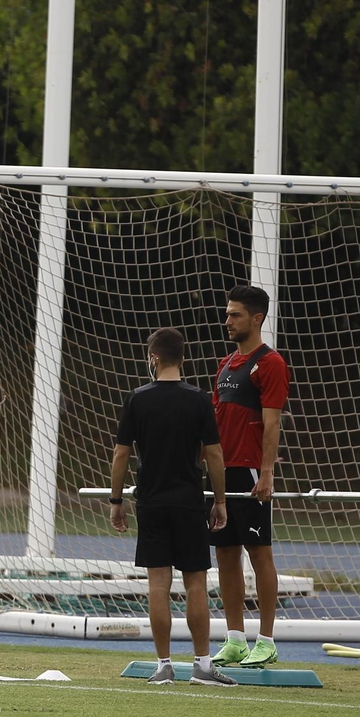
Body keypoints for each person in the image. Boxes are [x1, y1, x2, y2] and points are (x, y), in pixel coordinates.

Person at [110, 327, 235, 686]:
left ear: (154, 358)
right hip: (188, 501)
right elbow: (213, 453)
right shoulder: (199, 399)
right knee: (196, 584)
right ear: (182, 358)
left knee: (157, 584)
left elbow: (121, 454)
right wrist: (220, 500)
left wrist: (116, 501)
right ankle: (203, 666)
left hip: (151, 502)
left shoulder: (137, 398)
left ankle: (163, 665)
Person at [208, 284, 291, 668]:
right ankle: (235, 639)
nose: (227, 320)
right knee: (225, 554)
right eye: (227, 313)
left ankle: (267, 640)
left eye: (235, 314)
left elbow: (272, 424)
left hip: (252, 471)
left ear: (256, 318)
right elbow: (214, 427)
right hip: (221, 474)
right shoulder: (225, 365)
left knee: (260, 555)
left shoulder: (270, 363)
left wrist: (268, 472)